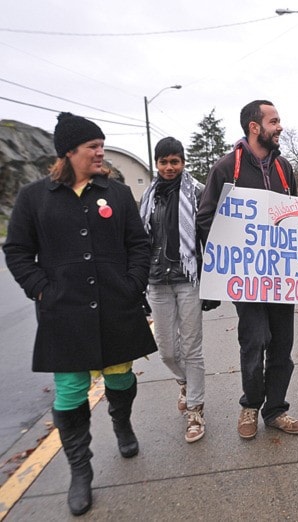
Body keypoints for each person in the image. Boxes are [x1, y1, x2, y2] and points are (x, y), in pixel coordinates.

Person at [3, 112, 157, 516]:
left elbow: (139, 245)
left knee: (120, 376)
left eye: (102, 145)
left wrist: (133, 282)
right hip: (63, 313)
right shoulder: (34, 198)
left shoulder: (118, 194)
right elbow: (17, 251)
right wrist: (40, 288)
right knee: (70, 391)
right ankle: (80, 471)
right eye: (93, 146)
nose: (100, 152)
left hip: (116, 306)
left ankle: (122, 425)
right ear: (69, 152)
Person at [196, 99, 298, 440]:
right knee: (255, 341)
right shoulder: (226, 168)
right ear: (254, 127)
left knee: (282, 345)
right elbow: (205, 219)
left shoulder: (284, 168)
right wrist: (231, 249)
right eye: (274, 121)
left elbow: (295, 214)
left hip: (280, 276)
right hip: (246, 278)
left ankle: (275, 410)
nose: (280, 127)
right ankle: (250, 404)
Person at [139, 137, 207, 443]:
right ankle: (184, 382)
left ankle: (195, 411)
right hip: (156, 281)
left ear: (183, 162)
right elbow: (140, 241)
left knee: (191, 348)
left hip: (189, 279)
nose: (169, 167)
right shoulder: (147, 197)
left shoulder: (198, 193)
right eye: (164, 162)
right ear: (156, 163)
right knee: (166, 350)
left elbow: (215, 231)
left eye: (175, 161)